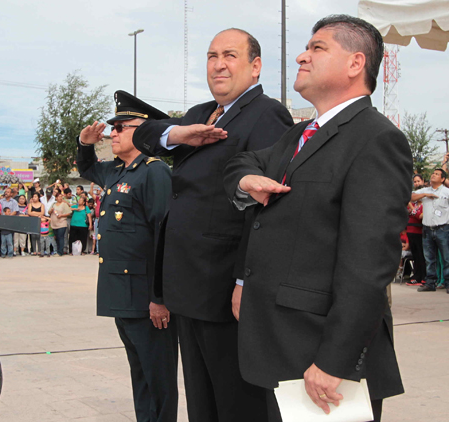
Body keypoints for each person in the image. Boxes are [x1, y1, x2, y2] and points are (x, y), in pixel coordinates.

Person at [223, 15, 411, 422]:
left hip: (321, 359)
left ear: (355, 63)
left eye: (318, 48)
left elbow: (369, 265)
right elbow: (241, 162)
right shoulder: (301, 134)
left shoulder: (376, 139)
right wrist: (246, 180)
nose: (302, 56)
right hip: (283, 348)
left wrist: (334, 361)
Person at [131, 28, 294, 421]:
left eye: (230, 55)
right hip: (189, 283)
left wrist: (244, 280)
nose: (218, 64)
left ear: (255, 67)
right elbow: (144, 132)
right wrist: (179, 133)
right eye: (211, 55)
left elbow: (265, 208)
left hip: (224, 287)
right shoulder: (202, 113)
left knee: (236, 402)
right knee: (202, 402)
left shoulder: (266, 113)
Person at [77, 91, 178, 422]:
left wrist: (159, 297)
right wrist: (84, 143)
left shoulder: (154, 172)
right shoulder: (117, 172)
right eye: (113, 127)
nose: (113, 133)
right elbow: (87, 167)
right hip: (122, 293)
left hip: (147, 299)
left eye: (122, 127)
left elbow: (164, 235)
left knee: (158, 379)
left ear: (144, 132)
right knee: (140, 376)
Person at [411, 168, 449, 294]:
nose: (433, 175)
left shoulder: (446, 192)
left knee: (446, 257)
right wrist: (426, 195)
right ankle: (430, 283)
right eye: (433, 173)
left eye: (437, 174)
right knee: (429, 258)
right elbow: (411, 196)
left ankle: (447, 283)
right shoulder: (425, 190)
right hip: (427, 229)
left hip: (443, 228)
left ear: (442, 179)